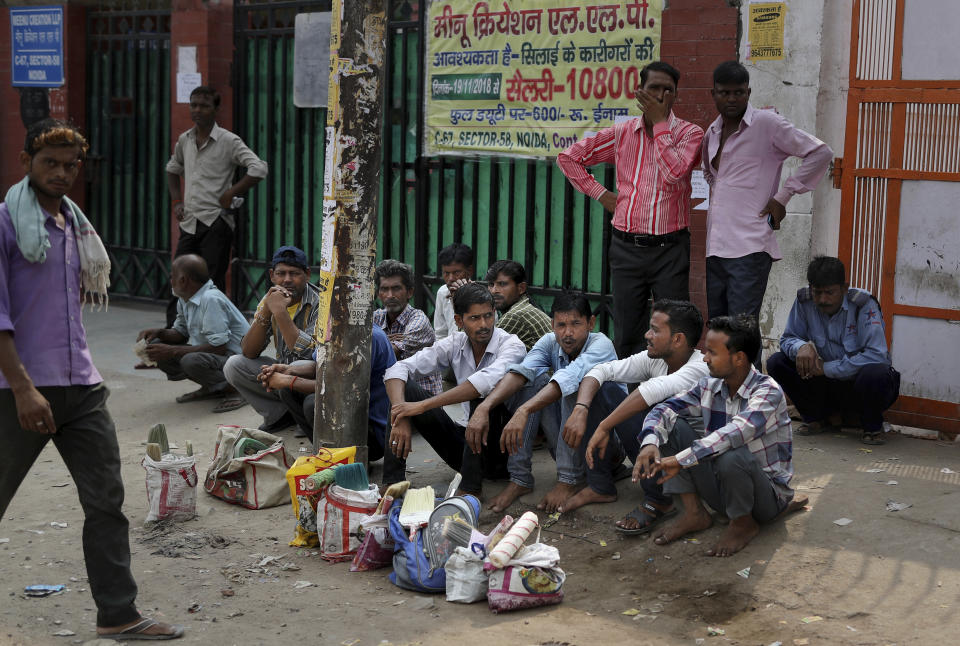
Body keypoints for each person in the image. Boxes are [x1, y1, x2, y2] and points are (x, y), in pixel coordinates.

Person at [0, 119, 183, 640]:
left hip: (81, 386)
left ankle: (118, 614)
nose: (60, 173)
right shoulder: (6, 224)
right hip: (17, 390)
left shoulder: (73, 226)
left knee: (106, 502)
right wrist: (22, 388)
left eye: (69, 165)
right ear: (25, 163)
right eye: (49, 163)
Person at [557, 61, 704, 359]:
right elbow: (568, 158)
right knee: (627, 329)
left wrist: (661, 123)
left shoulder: (690, 134)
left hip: (670, 248)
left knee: (674, 328)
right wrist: (602, 194)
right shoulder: (622, 133)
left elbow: (674, 173)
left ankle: (670, 393)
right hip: (626, 248)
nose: (661, 96)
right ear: (640, 92)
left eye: (668, 91)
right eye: (654, 89)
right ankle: (631, 396)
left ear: (676, 96)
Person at [635, 314, 807, 557]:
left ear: (738, 358)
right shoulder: (710, 385)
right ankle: (694, 513)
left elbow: (735, 433)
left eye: (712, 353)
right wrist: (650, 442)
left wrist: (680, 460)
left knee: (731, 453)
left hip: (765, 495)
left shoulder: (768, 392)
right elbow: (665, 408)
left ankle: (743, 524)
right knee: (672, 425)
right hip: (722, 488)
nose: (704, 358)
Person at [702, 61, 833, 325]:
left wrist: (783, 196)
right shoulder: (712, 133)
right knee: (719, 331)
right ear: (713, 94)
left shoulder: (767, 124)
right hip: (715, 248)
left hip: (749, 248)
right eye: (724, 93)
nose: (732, 99)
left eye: (738, 92)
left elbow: (820, 153)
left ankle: (751, 370)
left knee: (741, 331)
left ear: (748, 93)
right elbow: (712, 178)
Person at [472, 292, 619, 513]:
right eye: (561, 325)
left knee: (573, 384)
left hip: (606, 445)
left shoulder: (601, 344)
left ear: (591, 323)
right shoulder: (550, 342)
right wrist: (485, 406)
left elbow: (570, 377)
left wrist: (524, 409)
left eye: (576, 324)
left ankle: (569, 479)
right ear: (552, 324)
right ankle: (520, 478)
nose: (567, 333)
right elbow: (521, 373)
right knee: (533, 381)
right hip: (569, 438)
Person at [572, 300, 710, 528]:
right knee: (603, 389)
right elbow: (602, 369)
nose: (647, 335)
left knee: (657, 412)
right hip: (662, 454)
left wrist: (604, 426)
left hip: (695, 465)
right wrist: (581, 409)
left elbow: (652, 390)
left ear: (677, 340)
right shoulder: (655, 358)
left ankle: (659, 499)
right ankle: (600, 486)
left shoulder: (699, 368)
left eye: (655, 330)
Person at [383, 283, 526, 495]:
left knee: (482, 398)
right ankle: (392, 484)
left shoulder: (512, 345)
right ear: (459, 321)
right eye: (475, 318)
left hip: (501, 450)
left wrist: (420, 407)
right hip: (468, 443)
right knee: (406, 391)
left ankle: (470, 490)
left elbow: (482, 383)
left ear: (495, 313)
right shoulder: (455, 342)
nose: (484, 324)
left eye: (488, 316)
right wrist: (401, 412)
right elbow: (397, 369)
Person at [164, 85, 268, 327]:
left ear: (215, 109)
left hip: (216, 223)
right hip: (190, 222)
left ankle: (216, 337)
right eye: (193, 105)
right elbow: (172, 169)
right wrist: (177, 201)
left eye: (204, 105)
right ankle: (172, 338)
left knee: (212, 284)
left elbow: (259, 168)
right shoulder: (185, 140)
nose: (197, 110)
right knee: (178, 279)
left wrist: (232, 191)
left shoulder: (228, 141)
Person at [767, 256, 900, 445]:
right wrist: (802, 347)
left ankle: (872, 427)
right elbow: (788, 338)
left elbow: (877, 355)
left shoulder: (863, 304)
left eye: (829, 292)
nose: (822, 299)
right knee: (777, 362)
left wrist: (826, 368)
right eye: (817, 292)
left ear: (844, 289)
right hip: (828, 386)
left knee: (875, 372)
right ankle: (815, 418)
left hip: (859, 385)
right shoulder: (804, 301)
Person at [222, 245, 320, 428]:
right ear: (271, 275)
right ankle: (280, 416)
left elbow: (309, 355)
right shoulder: (271, 298)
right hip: (281, 374)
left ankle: (304, 418)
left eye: (294, 273)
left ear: (307, 274)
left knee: (296, 365)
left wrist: (281, 313)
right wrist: (267, 310)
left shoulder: (319, 302)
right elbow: (249, 351)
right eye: (281, 273)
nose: (287, 280)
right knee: (234, 365)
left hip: (309, 377)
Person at [259, 325, 396, 454]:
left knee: (313, 403)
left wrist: (289, 380)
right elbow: (321, 366)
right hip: (351, 415)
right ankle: (324, 452)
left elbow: (340, 387)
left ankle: (349, 458)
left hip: (374, 433)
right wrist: (289, 370)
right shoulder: (333, 326)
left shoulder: (367, 336)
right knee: (288, 391)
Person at [136, 254, 249, 409]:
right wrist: (159, 333)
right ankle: (213, 387)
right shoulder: (185, 298)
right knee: (158, 349)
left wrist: (172, 351)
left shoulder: (210, 299)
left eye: (173, 277)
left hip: (237, 360)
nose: (171, 281)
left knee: (190, 360)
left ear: (183, 280)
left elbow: (219, 347)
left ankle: (237, 390)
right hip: (216, 356)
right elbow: (180, 333)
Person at [373, 259, 442, 395]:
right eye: (384, 289)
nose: (390, 295)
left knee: (398, 375)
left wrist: (381, 341)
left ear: (409, 292)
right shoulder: (377, 317)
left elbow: (384, 355)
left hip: (423, 398)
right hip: (392, 396)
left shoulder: (418, 320)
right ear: (378, 294)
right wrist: (385, 341)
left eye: (396, 288)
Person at [485, 259, 552, 351]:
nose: (494, 291)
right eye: (491, 284)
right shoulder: (523, 306)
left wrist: (465, 302)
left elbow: (479, 352)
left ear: (521, 288)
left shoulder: (515, 315)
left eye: (502, 284)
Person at [433, 243, 474, 340]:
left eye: (456, 272)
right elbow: (440, 334)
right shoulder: (443, 292)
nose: (450, 278)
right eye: (446, 273)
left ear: (470, 271)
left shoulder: (482, 296)